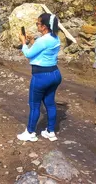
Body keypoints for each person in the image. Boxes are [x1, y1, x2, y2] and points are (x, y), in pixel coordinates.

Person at [17, 13, 62, 142]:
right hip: (55, 74)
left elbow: (28, 54)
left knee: (34, 105)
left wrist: (24, 42)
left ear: (44, 27)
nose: (37, 25)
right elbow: (44, 49)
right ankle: (50, 131)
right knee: (50, 103)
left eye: (38, 23)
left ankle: (30, 132)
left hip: (41, 76)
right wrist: (32, 41)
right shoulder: (55, 38)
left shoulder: (42, 40)